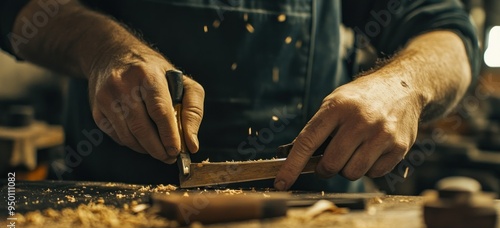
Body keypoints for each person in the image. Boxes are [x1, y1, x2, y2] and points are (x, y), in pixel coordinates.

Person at [0, 0, 478, 191]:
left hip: (315, 222)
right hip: (118, 207)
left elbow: (449, 33)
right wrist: (98, 46)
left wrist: (405, 87)